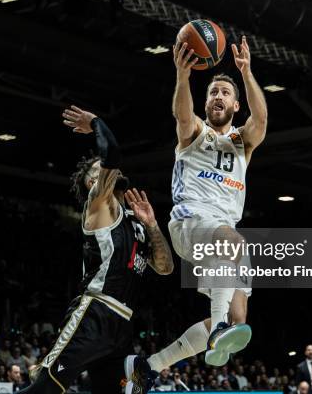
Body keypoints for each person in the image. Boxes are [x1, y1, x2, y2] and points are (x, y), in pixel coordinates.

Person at [126, 35, 268, 391]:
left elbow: (262, 120)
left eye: (224, 92)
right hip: (191, 220)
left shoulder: (242, 143)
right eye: (213, 92)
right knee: (230, 241)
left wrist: (247, 73)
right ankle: (218, 326)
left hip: (223, 232)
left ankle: (151, 365)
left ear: (236, 105)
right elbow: (181, 112)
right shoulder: (194, 133)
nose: (217, 96)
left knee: (239, 321)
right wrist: (182, 75)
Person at [20, 105, 173, 394]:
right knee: (44, 390)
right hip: (95, 311)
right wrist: (96, 123)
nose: (113, 171)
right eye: (100, 170)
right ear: (94, 182)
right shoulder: (98, 204)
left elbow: (166, 268)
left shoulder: (133, 222)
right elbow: (112, 154)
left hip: (122, 324)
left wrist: (152, 225)